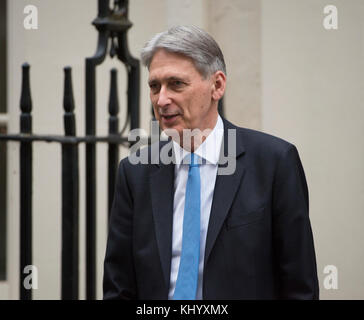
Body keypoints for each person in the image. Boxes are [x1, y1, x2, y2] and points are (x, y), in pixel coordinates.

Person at [103, 25, 319, 300]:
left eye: (176, 84)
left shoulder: (274, 163)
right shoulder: (135, 173)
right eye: (154, 86)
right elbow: (118, 286)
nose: (162, 99)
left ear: (217, 85)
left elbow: (300, 286)